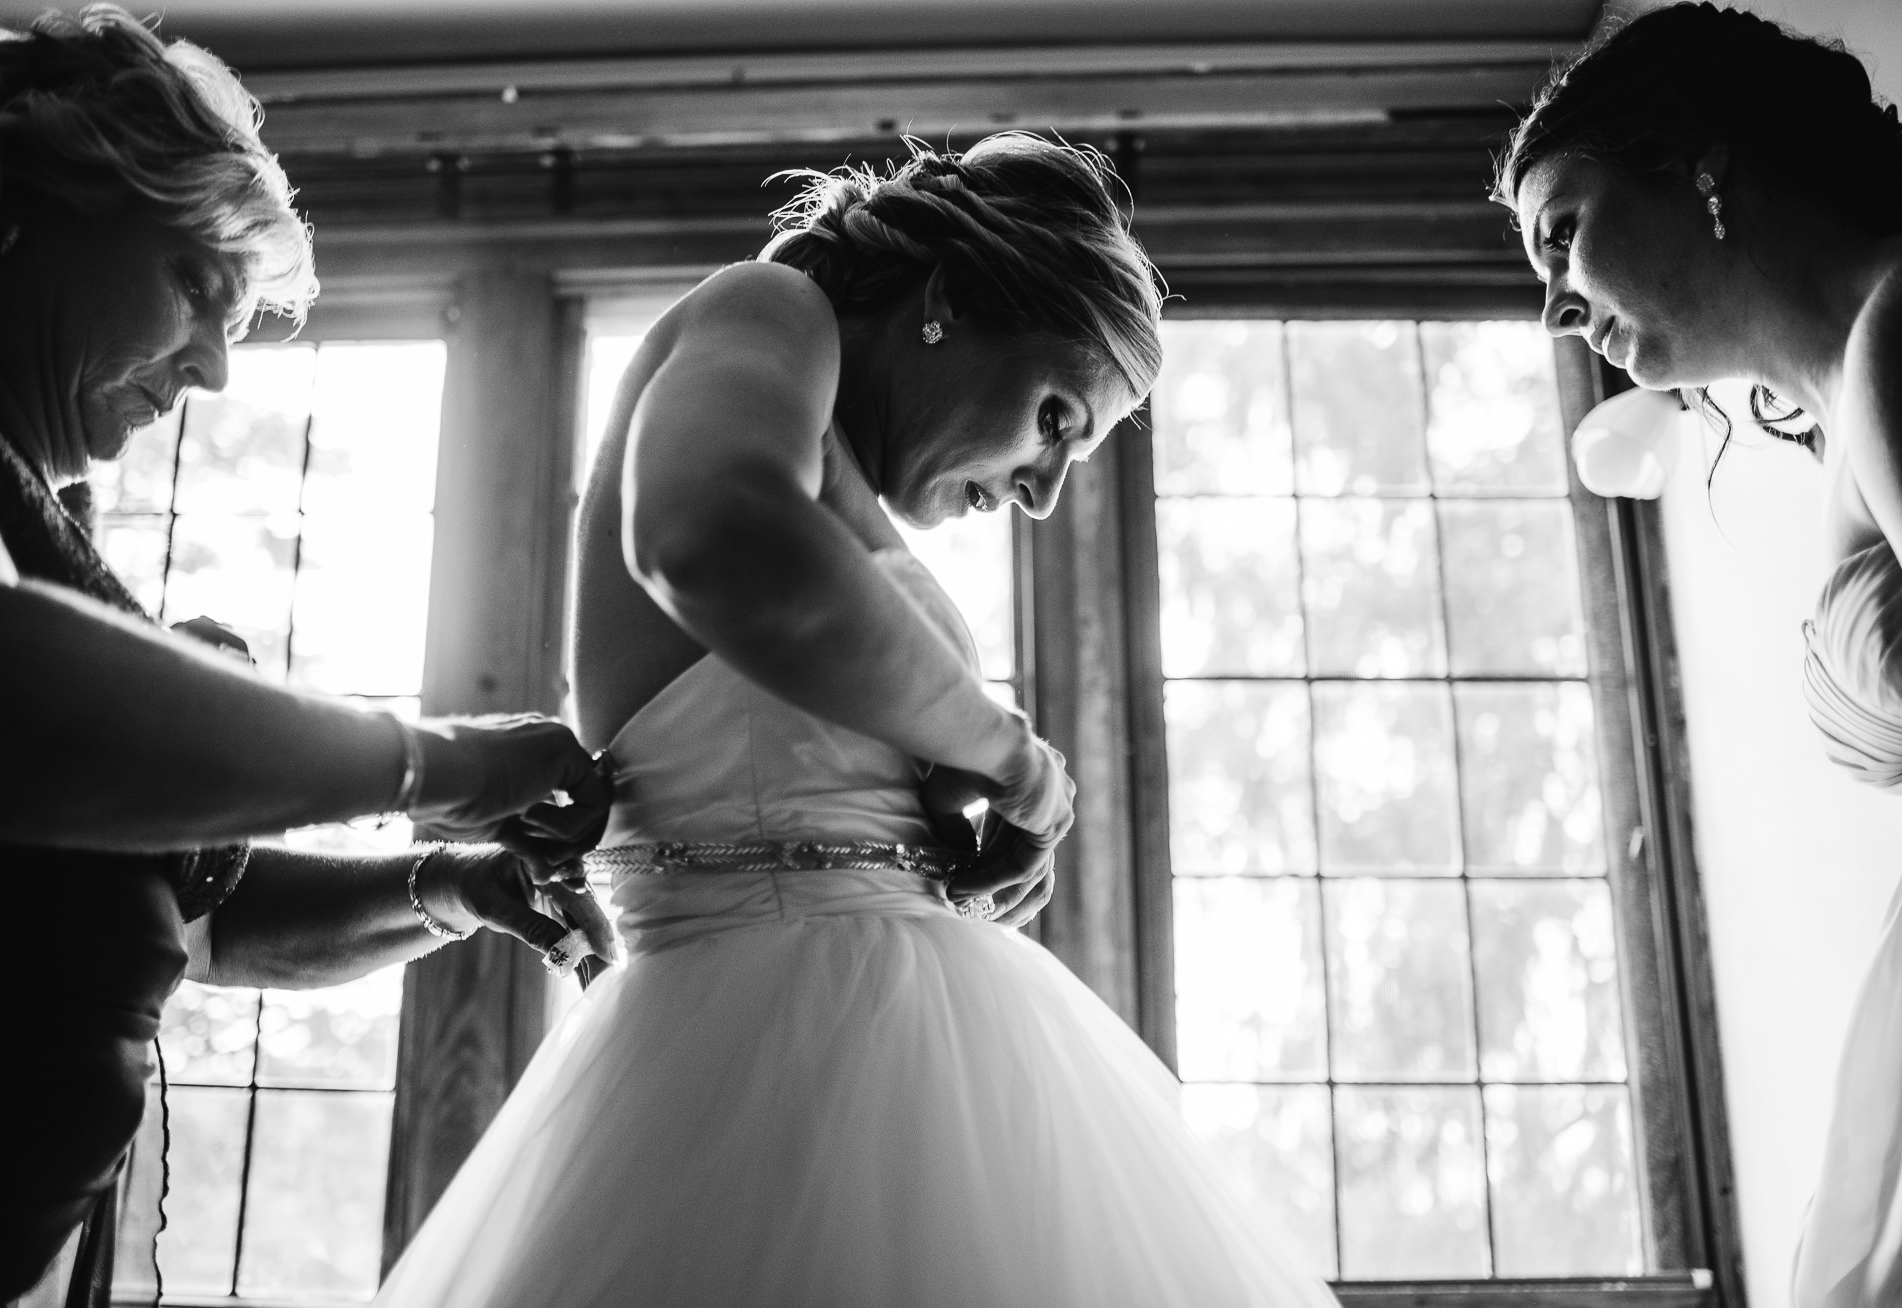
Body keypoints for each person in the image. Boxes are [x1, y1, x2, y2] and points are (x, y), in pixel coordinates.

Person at [371, 134, 1340, 1306]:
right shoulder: (765, 305)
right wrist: (1008, 758)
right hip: (771, 1039)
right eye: (1053, 417)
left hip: (875, 1030)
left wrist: (918, 824)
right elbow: (708, 536)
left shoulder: (825, 457)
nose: (1041, 491)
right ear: (944, 306)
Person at [0, 9, 613, 1303]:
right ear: (22, 196)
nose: (208, 369)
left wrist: (450, 886)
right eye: (197, 285)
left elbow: (200, 922)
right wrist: (438, 762)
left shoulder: (29, 492)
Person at [1496, 6, 1902, 1306]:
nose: (1557, 306)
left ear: (1702, 166)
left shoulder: (1896, 334)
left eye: (1563, 230)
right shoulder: (1852, 392)